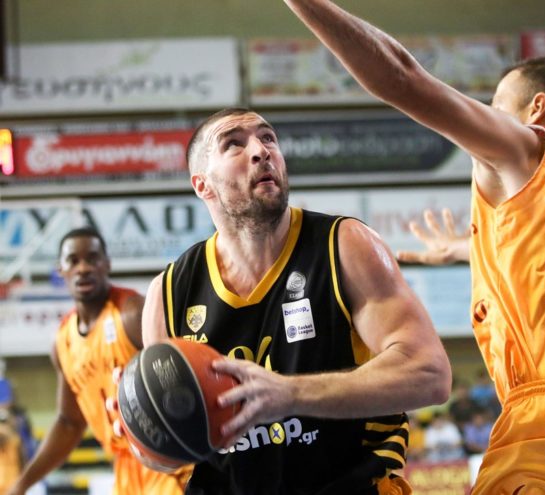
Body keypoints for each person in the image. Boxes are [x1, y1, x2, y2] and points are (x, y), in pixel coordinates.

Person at [282, 1, 545, 493]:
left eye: (496, 104)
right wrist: (466, 248)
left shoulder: (527, 149)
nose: (489, 115)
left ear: (536, 108)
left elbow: (402, 77)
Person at [140, 108, 452, 494]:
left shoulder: (344, 245)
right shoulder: (169, 292)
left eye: (268, 138)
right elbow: (166, 454)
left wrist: (290, 395)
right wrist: (142, 428)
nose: (261, 150)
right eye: (233, 144)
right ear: (203, 185)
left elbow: (429, 374)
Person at [8, 227, 190, 495]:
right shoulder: (63, 341)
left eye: (92, 259)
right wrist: (22, 484)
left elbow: (186, 376)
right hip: (125, 469)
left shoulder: (131, 314)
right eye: (73, 261)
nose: (83, 268)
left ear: (107, 264)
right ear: (61, 270)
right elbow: (69, 423)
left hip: (168, 461)